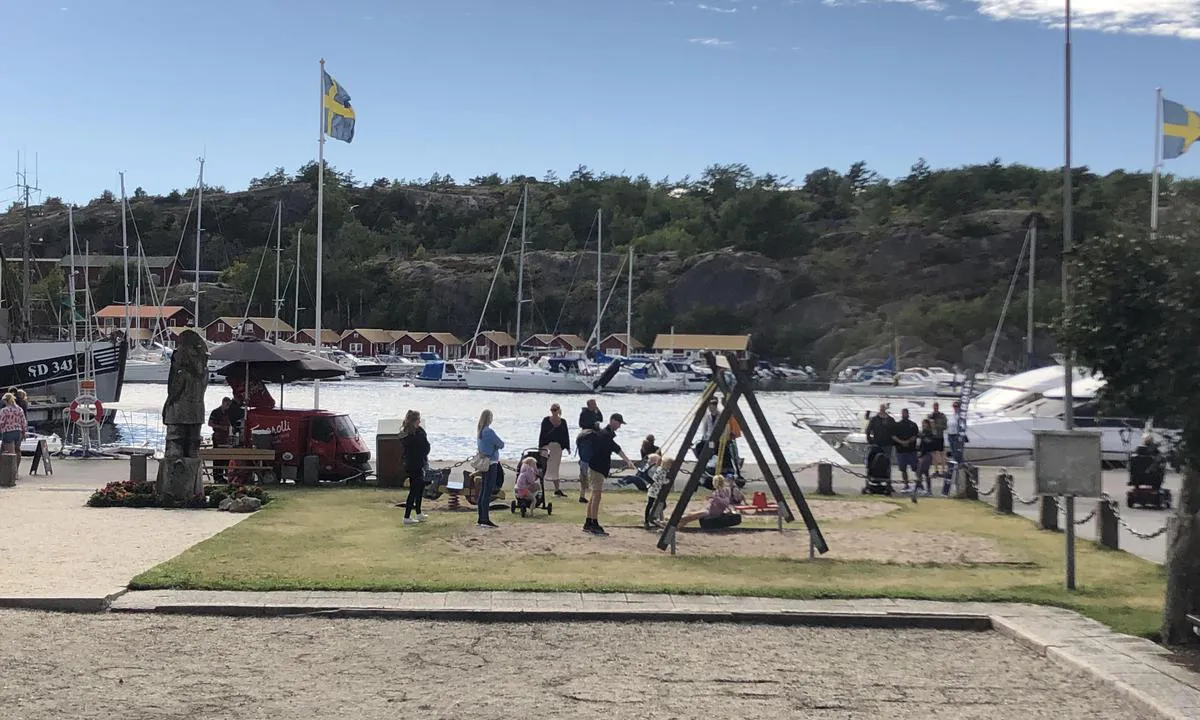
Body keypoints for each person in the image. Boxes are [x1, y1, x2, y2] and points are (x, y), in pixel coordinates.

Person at [583, 413, 633, 536]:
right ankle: (594, 523)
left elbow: (614, 448)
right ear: (612, 421)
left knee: (594, 495)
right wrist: (628, 461)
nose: (619, 426)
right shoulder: (605, 435)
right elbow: (616, 448)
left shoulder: (604, 434)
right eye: (618, 423)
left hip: (596, 467)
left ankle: (589, 522)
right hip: (597, 468)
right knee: (597, 495)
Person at [400, 410, 431, 526]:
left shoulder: (415, 432)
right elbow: (422, 446)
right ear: (413, 421)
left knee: (420, 488)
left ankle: (418, 512)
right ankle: (406, 516)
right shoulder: (411, 434)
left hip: (418, 462)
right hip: (414, 464)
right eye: (418, 419)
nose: (419, 421)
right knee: (414, 490)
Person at [678, 475, 745, 528]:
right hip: (710, 509)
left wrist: (716, 498)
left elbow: (725, 502)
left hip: (711, 512)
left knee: (691, 516)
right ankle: (677, 525)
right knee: (689, 516)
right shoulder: (718, 491)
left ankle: (674, 521)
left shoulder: (725, 491)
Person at [476, 409, 504, 529]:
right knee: (487, 491)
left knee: (483, 490)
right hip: (491, 463)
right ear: (489, 418)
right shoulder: (489, 431)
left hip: (484, 462)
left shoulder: (480, 431)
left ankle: (481, 517)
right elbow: (501, 444)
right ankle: (485, 519)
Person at [538, 403, 571, 498]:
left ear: (559, 410)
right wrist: (541, 447)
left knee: (555, 468)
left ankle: (557, 489)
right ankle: (540, 487)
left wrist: (567, 447)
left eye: (555, 409)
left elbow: (566, 435)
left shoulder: (563, 422)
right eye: (552, 410)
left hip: (557, 447)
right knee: (544, 467)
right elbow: (542, 434)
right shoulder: (546, 420)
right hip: (547, 446)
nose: (553, 411)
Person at [576, 399, 603, 505]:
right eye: (593, 404)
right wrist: (592, 424)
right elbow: (581, 424)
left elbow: (601, 419)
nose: (595, 406)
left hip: (594, 436)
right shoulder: (584, 413)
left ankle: (589, 492)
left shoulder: (595, 412)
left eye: (595, 404)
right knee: (584, 467)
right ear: (588, 405)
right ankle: (582, 494)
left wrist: (598, 410)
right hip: (587, 437)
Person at [892, 408, 919, 490]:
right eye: (903, 413)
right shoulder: (897, 425)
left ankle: (919, 484)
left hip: (911, 451)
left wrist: (907, 441)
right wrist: (901, 442)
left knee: (915, 468)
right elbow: (893, 436)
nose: (904, 414)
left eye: (905, 413)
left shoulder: (913, 424)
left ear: (908, 414)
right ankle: (906, 485)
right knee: (903, 469)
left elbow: (915, 436)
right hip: (900, 451)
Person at [207, 397, 233, 481]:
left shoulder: (228, 413)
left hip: (226, 437)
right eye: (226, 405)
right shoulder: (215, 412)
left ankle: (223, 475)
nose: (227, 407)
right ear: (223, 403)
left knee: (225, 457)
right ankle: (216, 476)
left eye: (229, 405)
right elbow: (210, 423)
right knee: (217, 456)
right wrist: (221, 427)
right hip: (217, 436)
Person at [642, 453, 671, 529]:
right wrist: (667, 481)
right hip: (654, 491)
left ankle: (653, 517)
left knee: (659, 505)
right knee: (652, 504)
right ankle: (648, 519)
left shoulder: (661, 469)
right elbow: (660, 480)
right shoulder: (661, 470)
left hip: (656, 491)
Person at [915, 419, 941, 495]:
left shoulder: (930, 434)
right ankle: (928, 489)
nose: (924, 425)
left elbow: (931, 443)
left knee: (919, 472)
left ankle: (921, 488)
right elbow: (920, 443)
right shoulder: (921, 433)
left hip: (928, 455)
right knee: (925, 473)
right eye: (923, 424)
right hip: (922, 454)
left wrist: (923, 437)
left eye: (925, 424)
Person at [927, 402, 948, 476]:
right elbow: (926, 426)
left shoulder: (942, 416)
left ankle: (943, 470)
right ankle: (936, 470)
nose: (935, 408)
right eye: (934, 406)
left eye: (936, 406)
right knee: (934, 454)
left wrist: (936, 425)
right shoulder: (930, 416)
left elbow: (945, 426)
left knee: (942, 454)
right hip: (933, 437)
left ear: (938, 407)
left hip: (940, 436)